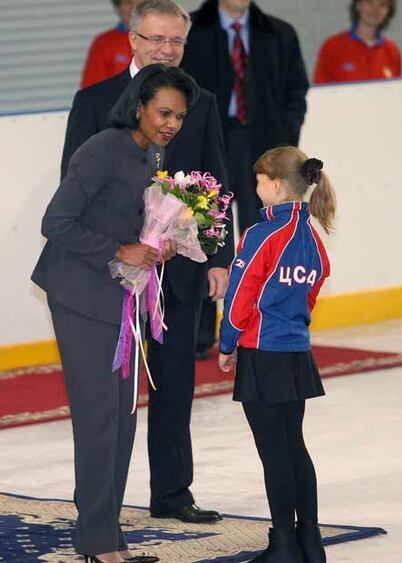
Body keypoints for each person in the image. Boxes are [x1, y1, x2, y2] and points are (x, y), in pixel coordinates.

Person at [61, 0, 234, 524]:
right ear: (132, 40)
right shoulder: (94, 101)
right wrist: (114, 250)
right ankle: (99, 508)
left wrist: (220, 256)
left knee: (175, 384)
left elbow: (217, 180)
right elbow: (71, 191)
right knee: (108, 401)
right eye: (156, 40)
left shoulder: (200, 102)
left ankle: (173, 494)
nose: (166, 50)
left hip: (178, 270)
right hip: (111, 275)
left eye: (176, 42)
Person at [32, 64, 199, 563]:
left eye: (180, 116)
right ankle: (98, 543)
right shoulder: (102, 149)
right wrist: (118, 250)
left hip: (122, 298)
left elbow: (138, 224)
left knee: (124, 419)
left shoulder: (153, 154)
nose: (171, 123)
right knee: (99, 419)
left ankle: (109, 536)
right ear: (139, 106)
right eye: (164, 112)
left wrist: (158, 246)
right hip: (81, 296)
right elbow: (55, 222)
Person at [219, 147, 336, 563]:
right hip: (295, 353)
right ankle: (311, 542)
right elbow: (312, 291)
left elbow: (240, 297)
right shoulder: (312, 239)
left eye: (257, 180)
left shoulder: (260, 235)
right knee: (294, 446)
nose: (254, 187)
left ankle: (284, 543)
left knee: (274, 452)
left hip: (262, 353)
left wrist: (228, 342)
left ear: (276, 185)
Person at [181, 0, 309, 359]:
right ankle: (201, 331)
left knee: (266, 238)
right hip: (209, 145)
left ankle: (261, 321)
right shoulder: (191, 31)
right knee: (205, 232)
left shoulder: (279, 34)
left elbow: (295, 91)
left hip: (264, 148)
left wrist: (285, 135)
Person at [313, 0, 402, 84]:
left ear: (388, 11)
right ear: (358, 5)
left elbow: (395, 94)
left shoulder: (392, 52)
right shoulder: (332, 47)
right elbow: (319, 91)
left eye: (382, 5)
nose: (375, 9)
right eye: (369, 2)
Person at [81, 1, 138, 89]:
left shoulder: (161, 40)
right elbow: (91, 90)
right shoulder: (104, 43)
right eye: (128, 2)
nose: (134, 7)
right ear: (118, 8)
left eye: (139, 1)